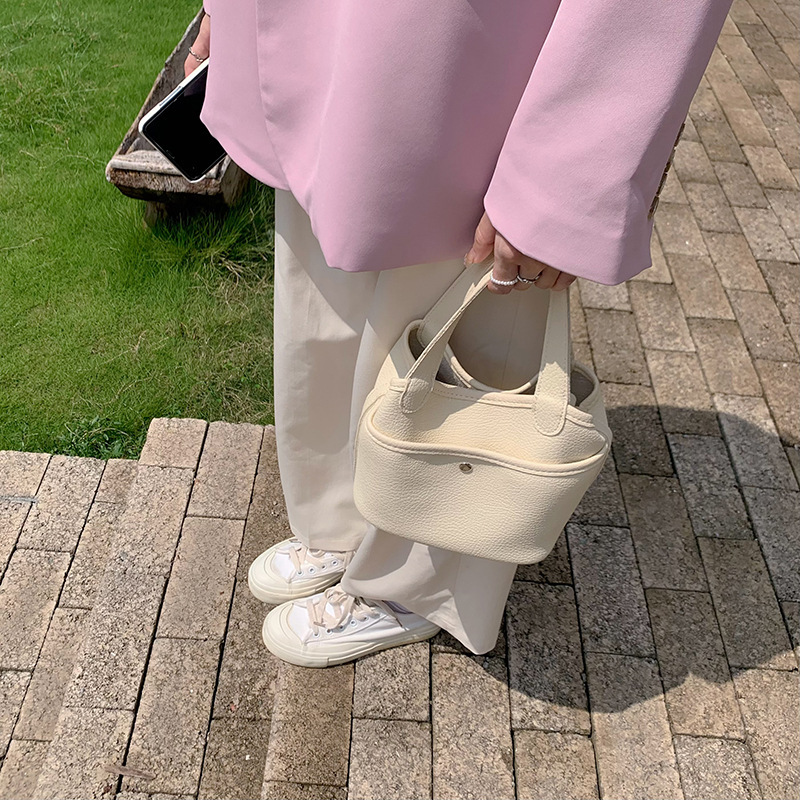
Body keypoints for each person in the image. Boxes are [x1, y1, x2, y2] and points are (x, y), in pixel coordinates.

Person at [185, 0, 733, 667]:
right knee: (323, 301)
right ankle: (339, 523)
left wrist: (566, 179)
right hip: (314, 39)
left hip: (482, 76)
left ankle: (415, 585)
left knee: (462, 340)